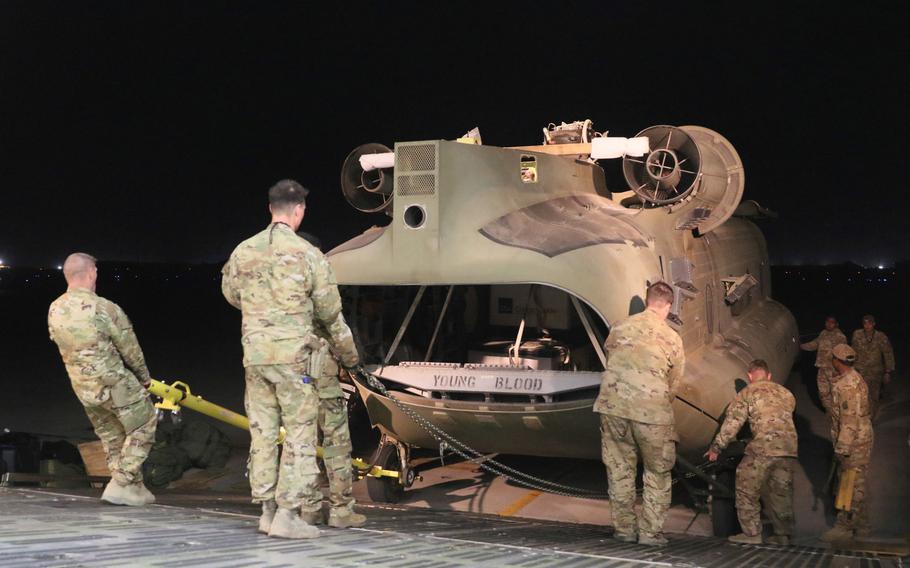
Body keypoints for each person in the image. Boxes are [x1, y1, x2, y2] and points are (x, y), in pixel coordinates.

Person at [222, 179, 361, 540]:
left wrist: (263, 307)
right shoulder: (308, 255)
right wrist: (351, 356)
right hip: (293, 359)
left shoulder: (242, 251)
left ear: (270, 209)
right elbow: (331, 315)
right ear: (299, 210)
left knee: (263, 434)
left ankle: (267, 512)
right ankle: (288, 513)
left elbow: (232, 294)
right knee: (300, 435)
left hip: (254, 356)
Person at [47, 253, 157, 506]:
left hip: (83, 387)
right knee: (144, 423)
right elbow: (130, 349)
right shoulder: (104, 308)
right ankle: (121, 481)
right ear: (92, 272)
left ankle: (134, 488)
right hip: (112, 383)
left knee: (113, 435)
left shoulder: (55, 308)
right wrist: (144, 378)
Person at [594, 282, 685, 546]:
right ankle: (649, 533)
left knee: (620, 471)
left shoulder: (619, 327)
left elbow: (611, 360)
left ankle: (624, 530)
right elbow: (674, 383)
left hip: (613, 409)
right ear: (668, 306)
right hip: (652, 413)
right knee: (657, 473)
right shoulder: (671, 338)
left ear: (647, 301)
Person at [705, 359, 797, 545]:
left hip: (763, 448)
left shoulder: (747, 392)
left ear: (750, 376)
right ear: (769, 375)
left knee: (746, 487)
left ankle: (751, 533)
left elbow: (732, 423)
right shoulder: (786, 393)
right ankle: (783, 535)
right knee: (781, 492)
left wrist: (716, 448)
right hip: (788, 449)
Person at [300, 328, 366, 528]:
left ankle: (308, 509)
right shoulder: (320, 296)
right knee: (337, 445)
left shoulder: (280, 300)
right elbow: (338, 331)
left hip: (295, 381)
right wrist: (352, 361)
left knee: (302, 443)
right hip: (324, 379)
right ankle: (340, 511)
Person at [821, 344, 874, 542]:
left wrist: (842, 448)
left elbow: (850, 419)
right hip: (859, 437)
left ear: (837, 361)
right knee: (857, 481)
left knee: (848, 482)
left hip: (853, 442)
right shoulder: (853, 378)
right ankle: (863, 525)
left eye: (832, 358)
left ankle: (844, 526)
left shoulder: (847, 386)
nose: (831, 361)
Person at [800, 316, 847, 417]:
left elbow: (843, 354)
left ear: (836, 324)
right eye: (827, 322)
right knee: (823, 393)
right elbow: (815, 344)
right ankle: (829, 413)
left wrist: (839, 370)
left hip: (834, 370)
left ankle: (838, 415)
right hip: (822, 368)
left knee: (836, 393)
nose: (829, 324)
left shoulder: (840, 337)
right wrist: (801, 346)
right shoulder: (823, 333)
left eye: (832, 322)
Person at [850, 315, 895, 417]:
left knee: (873, 397)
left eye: (870, 323)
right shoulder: (857, 334)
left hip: (875, 372)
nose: (867, 325)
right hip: (859, 370)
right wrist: (849, 366)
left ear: (874, 324)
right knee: (859, 395)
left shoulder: (881, 336)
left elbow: (888, 353)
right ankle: (861, 417)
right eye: (865, 323)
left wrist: (888, 371)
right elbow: (852, 351)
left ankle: (871, 418)